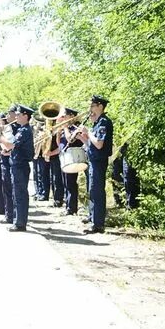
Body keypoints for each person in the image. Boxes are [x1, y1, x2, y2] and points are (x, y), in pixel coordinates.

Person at [0, 104, 34, 232]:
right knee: (16, 194)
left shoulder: (24, 131)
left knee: (20, 195)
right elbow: (10, 148)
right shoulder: (21, 129)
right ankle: (17, 220)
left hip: (20, 165)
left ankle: (20, 223)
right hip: (17, 165)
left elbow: (9, 145)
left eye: (18, 115)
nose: (16, 117)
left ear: (25, 116)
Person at [78, 95, 113, 234]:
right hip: (93, 159)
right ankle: (93, 218)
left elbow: (99, 144)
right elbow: (91, 144)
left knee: (97, 191)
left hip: (99, 161)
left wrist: (88, 132)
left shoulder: (103, 122)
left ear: (100, 106)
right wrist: (82, 137)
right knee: (92, 190)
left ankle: (98, 224)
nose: (90, 109)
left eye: (92, 106)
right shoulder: (97, 122)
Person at [59, 108, 83, 216]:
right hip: (65, 157)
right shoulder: (67, 127)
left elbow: (70, 139)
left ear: (72, 116)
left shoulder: (75, 127)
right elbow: (60, 142)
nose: (63, 118)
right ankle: (68, 205)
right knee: (66, 183)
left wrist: (64, 128)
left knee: (71, 183)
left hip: (73, 158)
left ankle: (72, 208)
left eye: (65, 116)